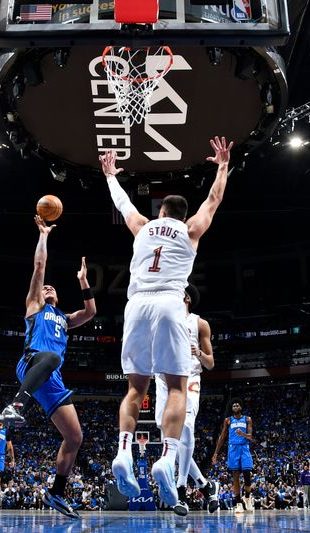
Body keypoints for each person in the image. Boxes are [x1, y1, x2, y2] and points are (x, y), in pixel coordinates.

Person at [103, 136, 234, 508]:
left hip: (136, 304)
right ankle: (165, 457)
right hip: (169, 303)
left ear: (161, 211)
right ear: (181, 214)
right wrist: (222, 166)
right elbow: (214, 201)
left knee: (135, 389)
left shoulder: (143, 226)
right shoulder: (191, 230)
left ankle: (124, 453)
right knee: (176, 388)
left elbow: (124, 204)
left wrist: (111, 175)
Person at [0, 215, 96, 519]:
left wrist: (83, 281)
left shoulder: (65, 319)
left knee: (75, 437)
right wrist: (43, 235)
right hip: (31, 363)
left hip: (51, 376)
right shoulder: (34, 306)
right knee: (52, 357)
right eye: (45, 288)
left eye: (52, 287)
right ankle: (15, 405)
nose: (48, 287)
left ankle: (56, 492)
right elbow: (39, 268)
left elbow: (91, 311)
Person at [154, 286, 219, 516]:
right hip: (163, 378)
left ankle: (181, 489)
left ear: (187, 298)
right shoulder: (161, 317)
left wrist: (198, 352)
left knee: (187, 427)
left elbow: (210, 363)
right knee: (170, 437)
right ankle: (204, 484)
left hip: (190, 377)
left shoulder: (200, 324)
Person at [212, 398, 254, 513]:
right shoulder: (228, 420)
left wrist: (243, 434)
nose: (235, 407)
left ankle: (247, 498)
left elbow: (251, 437)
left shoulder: (247, 419)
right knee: (235, 476)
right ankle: (238, 503)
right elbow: (222, 437)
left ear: (241, 407)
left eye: (237, 405)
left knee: (247, 474)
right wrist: (216, 453)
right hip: (233, 448)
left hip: (244, 448)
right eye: (233, 405)